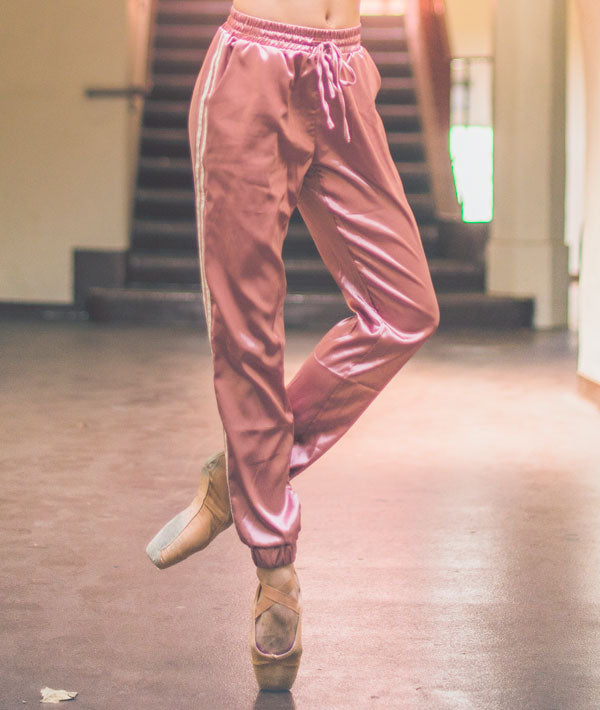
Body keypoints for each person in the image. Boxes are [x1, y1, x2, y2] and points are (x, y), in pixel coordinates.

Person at [146, 0, 440, 692]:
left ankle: (241, 480)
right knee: (248, 328)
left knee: (404, 307)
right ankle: (274, 567)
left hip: (341, 71)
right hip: (253, 65)